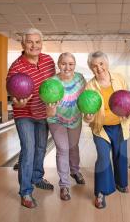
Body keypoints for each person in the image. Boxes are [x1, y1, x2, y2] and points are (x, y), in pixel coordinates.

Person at [7, 28, 56, 209]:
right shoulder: (16, 67)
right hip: (24, 114)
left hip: (43, 113)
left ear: (41, 43)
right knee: (28, 149)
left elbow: (54, 86)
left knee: (41, 147)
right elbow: (13, 96)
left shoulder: (49, 61)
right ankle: (26, 191)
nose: (34, 45)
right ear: (23, 44)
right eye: (30, 42)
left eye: (37, 42)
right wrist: (19, 103)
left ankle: (37, 177)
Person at [83, 51, 130, 209]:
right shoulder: (90, 86)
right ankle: (100, 192)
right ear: (91, 69)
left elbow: (129, 102)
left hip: (120, 125)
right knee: (103, 158)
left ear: (107, 64)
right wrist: (89, 118)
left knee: (121, 156)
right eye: (94, 66)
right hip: (101, 129)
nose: (99, 68)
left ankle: (121, 183)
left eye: (101, 64)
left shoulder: (119, 78)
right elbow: (86, 114)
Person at [46, 52, 86, 201]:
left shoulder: (80, 79)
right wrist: (50, 110)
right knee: (63, 150)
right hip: (56, 120)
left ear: (74, 65)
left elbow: (86, 98)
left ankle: (75, 171)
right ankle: (64, 185)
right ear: (58, 64)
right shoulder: (52, 82)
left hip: (75, 118)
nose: (67, 67)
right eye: (64, 63)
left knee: (73, 147)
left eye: (71, 64)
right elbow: (48, 110)